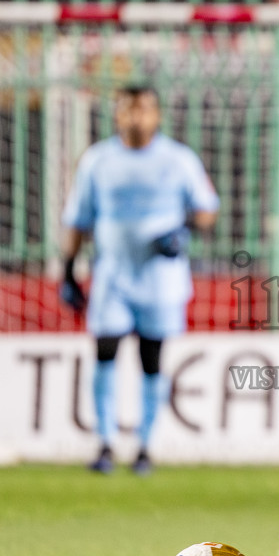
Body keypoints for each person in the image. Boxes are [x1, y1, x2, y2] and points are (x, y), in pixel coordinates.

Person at [60, 86, 219, 476]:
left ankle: (146, 445)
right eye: (129, 109)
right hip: (112, 275)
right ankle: (104, 442)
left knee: (152, 359)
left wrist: (182, 229)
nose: (137, 117)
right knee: (105, 353)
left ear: (157, 115)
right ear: (117, 115)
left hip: (160, 279)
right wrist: (66, 268)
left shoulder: (178, 159)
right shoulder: (98, 160)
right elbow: (78, 219)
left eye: (145, 109)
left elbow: (206, 210)